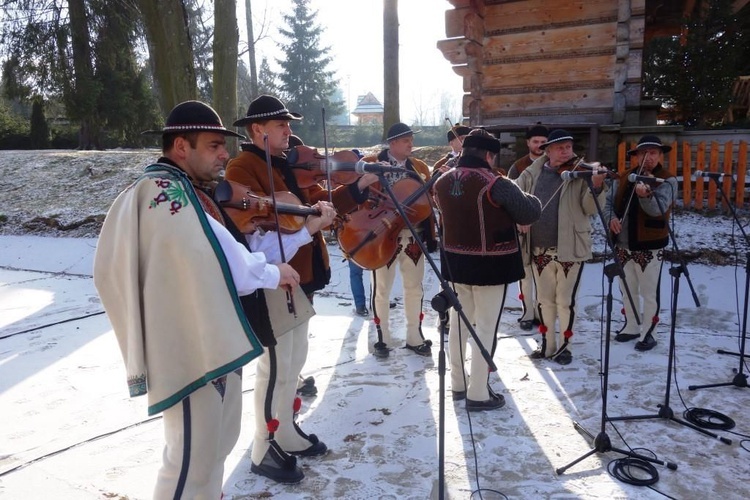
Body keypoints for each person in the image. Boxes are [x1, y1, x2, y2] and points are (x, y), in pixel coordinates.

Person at [92, 100, 312, 498]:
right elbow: (220, 258)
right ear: (181, 147)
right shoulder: (165, 196)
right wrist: (271, 271)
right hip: (187, 348)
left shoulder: (177, 191)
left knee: (212, 447)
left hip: (202, 338)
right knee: (190, 461)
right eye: (213, 145)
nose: (225, 153)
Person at [225, 94, 377, 483]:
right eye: (281, 126)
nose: (289, 132)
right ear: (258, 130)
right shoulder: (243, 167)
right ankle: (263, 446)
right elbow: (251, 228)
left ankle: (286, 430)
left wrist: (356, 188)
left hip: (301, 277)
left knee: (294, 360)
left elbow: (320, 207)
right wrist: (307, 223)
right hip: (273, 278)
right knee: (273, 366)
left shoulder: (289, 164)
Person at [434, 129, 541, 410]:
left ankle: (458, 383)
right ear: (489, 155)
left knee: (459, 323)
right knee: (485, 327)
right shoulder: (496, 182)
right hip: (490, 264)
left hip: (455, 262)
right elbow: (530, 212)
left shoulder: (441, 181)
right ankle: (478, 392)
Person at [515, 129, 608, 365]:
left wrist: (596, 185)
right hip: (538, 249)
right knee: (544, 300)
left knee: (566, 301)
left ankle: (565, 346)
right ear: (548, 151)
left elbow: (590, 208)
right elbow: (515, 198)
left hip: (569, 248)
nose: (567, 151)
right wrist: (520, 217)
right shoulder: (531, 173)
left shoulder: (581, 173)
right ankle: (548, 344)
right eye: (561, 147)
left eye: (569, 147)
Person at [359, 122, 437, 358]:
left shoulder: (420, 167)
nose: (410, 144)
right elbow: (361, 197)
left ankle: (415, 336)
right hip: (382, 235)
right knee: (381, 288)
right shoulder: (372, 164)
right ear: (392, 143)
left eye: (411, 139)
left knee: (414, 287)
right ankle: (382, 337)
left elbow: (427, 200)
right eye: (406, 140)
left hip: (413, 235)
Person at [605, 135, 677, 351]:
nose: (648, 157)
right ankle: (632, 325)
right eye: (643, 153)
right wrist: (611, 218)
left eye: (653, 153)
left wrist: (645, 196)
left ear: (660, 155)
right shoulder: (625, 176)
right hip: (623, 244)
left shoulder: (667, 180)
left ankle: (649, 332)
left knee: (649, 291)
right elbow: (608, 202)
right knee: (627, 288)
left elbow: (658, 210)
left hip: (649, 245)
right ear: (636, 156)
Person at [508, 124, 548, 331]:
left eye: (543, 142)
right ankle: (527, 312)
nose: (540, 145)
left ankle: (541, 310)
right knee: (525, 272)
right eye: (536, 142)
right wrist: (518, 220)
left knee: (543, 271)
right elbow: (510, 198)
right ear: (528, 143)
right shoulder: (518, 166)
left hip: (545, 227)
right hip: (524, 226)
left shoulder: (553, 165)